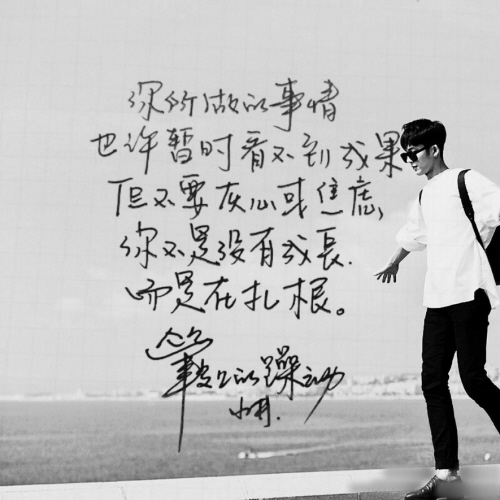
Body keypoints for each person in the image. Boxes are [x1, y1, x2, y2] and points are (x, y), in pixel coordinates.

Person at [374, 119, 500, 500]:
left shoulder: (466, 180)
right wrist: (394, 261)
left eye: (413, 153)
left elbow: (497, 212)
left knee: (473, 380)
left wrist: (484, 248)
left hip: (469, 294)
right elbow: (414, 234)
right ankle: (447, 475)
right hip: (437, 300)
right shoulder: (425, 196)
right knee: (432, 382)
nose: (409, 160)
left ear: (434, 150)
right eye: (404, 155)